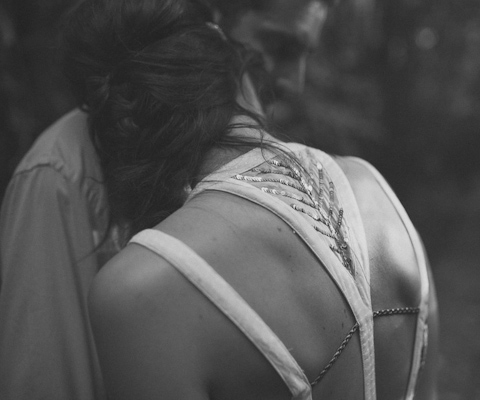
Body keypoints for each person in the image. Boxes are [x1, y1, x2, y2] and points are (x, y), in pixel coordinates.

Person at [63, 0, 439, 399]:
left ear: (121, 119)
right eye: (280, 49)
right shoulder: (377, 193)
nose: (294, 83)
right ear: (235, 59)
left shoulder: (138, 290)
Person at [0, 0, 338, 399]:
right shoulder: (61, 173)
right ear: (213, 26)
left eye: (306, 55)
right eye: (279, 46)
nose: (294, 82)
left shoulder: (275, 172)